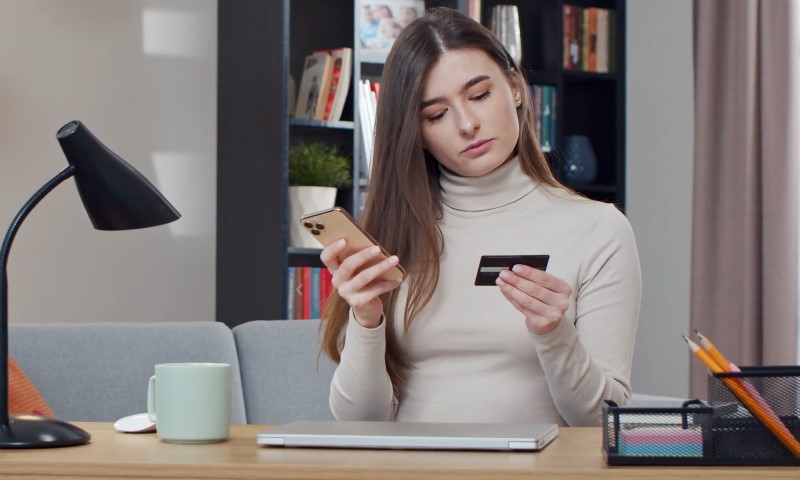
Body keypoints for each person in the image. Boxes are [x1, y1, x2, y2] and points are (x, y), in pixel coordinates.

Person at [319, 7, 641, 427]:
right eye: (436, 114)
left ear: (515, 88)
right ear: (415, 132)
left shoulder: (600, 230)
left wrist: (553, 333)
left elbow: (602, 422)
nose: (468, 124)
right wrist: (366, 319)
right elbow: (359, 423)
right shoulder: (392, 237)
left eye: (480, 95)